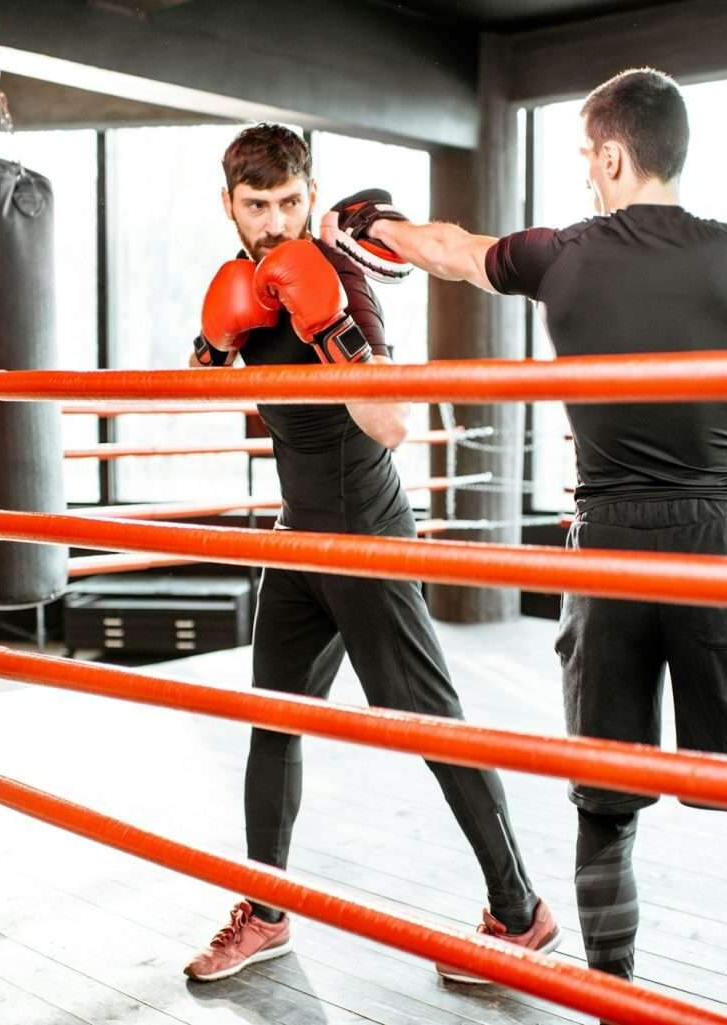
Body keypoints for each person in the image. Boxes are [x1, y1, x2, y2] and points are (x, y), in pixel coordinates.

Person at [330, 69, 727, 1024]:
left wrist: (372, 224)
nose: (585, 176)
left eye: (585, 158)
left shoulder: (562, 253)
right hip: (721, 538)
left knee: (606, 807)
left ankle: (614, 997)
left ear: (612, 154)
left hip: (605, 544)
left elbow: (453, 251)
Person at [182, 124, 557, 984]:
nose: (275, 223)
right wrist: (217, 337)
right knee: (274, 719)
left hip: (367, 529)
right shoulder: (241, 281)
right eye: (257, 206)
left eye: (289, 203)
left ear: (310, 196)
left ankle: (519, 910)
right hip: (299, 531)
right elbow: (200, 388)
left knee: (423, 716)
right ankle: (265, 907)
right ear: (230, 205)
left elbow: (392, 424)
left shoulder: (337, 275)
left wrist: (328, 331)